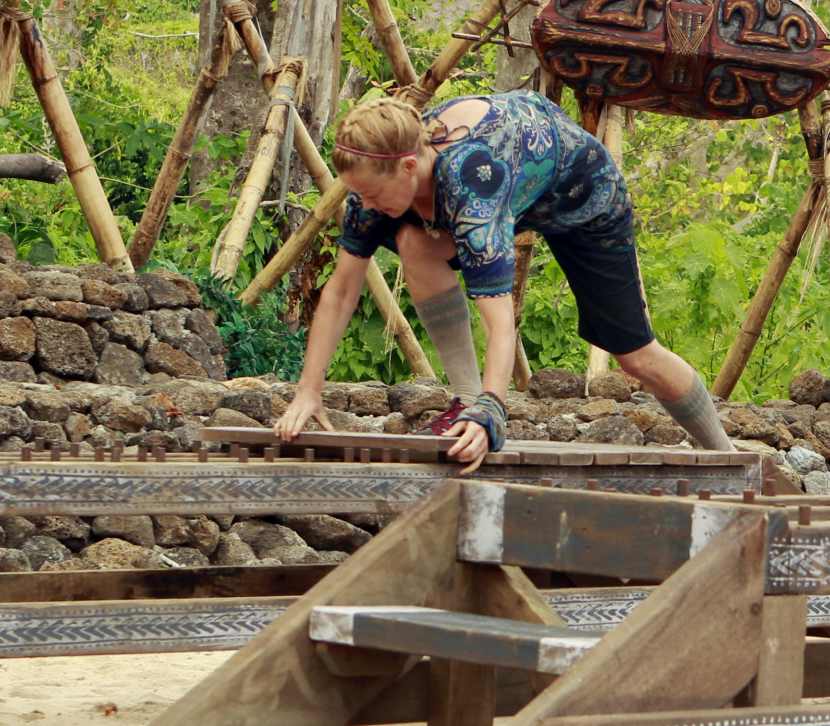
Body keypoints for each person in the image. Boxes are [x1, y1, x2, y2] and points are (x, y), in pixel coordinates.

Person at [274, 92, 733, 467]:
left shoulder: (474, 185)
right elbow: (340, 290)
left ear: (409, 166)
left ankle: (727, 458)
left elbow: (499, 320)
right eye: (358, 194)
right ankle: (464, 400)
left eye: (371, 195)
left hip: (582, 198)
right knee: (415, 245)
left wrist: (493, 413)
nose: (365, 206)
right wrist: (308, 392)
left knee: (636, 357)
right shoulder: (373, 179)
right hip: (509, 185)